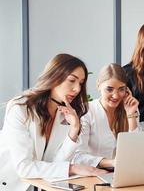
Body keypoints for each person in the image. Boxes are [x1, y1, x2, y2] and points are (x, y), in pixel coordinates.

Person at [0, 54, 107, 191]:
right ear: (55, 76)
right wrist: (73, 168)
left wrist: (74, 130)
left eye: (80, 83)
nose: (77, 89)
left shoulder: (63, 114)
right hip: (8, 184)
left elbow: (55, 164)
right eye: (72, 80)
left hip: (38, 186)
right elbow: (24, 167)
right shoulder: (20, 108)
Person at [72, 63, 139, 168]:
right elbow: (77, 156)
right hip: (92, 175)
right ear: (98, 85)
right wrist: (112, 162)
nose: (116, 95)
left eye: (121, 89)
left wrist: (131, 115)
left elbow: (136, 150)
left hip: (123, 174)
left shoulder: (130, 109)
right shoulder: (87, 111)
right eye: (109, 89)